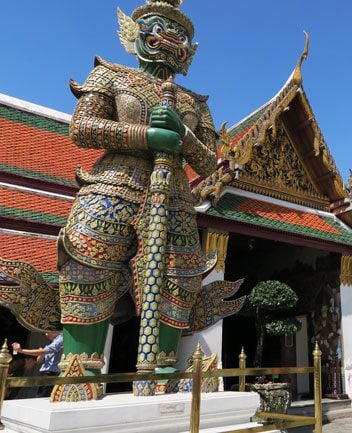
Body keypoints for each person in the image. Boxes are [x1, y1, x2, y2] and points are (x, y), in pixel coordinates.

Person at [57, 0, 219, 396]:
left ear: (188, 49)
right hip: (115, 182)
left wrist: (182, 134)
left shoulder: (194, 103)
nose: (170, 38)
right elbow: (82, 128)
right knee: (89, 259)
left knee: (178, 279)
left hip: (177, 196)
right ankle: (81, 371)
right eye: (160, 27)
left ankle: (161, 372)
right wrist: (147, 136)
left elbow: (211, 161)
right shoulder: (110, 76)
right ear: (135, 32)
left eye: (180, 34)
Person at [11, 332, 63, 397]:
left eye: (47, 332)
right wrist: (41, 354)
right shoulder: (50, 343)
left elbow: (43, 351)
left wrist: (21, 350)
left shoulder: (61, 339)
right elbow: (39, 362)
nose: (46, 335)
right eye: (44, 334)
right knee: (41, 395)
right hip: (45, 373)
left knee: (45, 396)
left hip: (54, 373)